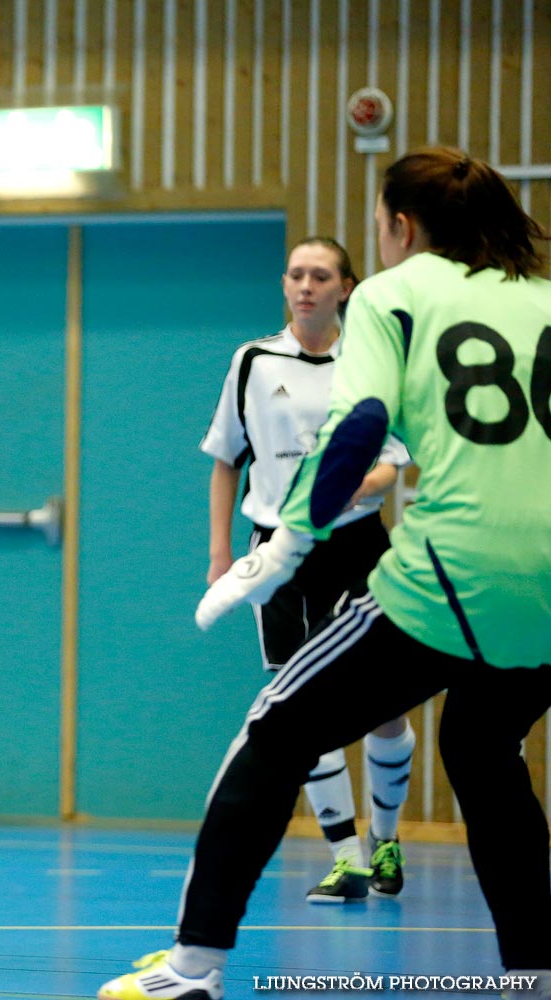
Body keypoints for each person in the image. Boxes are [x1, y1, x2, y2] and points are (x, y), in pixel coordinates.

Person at [98, 147, 551, 1000]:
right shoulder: (545, 300)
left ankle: (191, 970)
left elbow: (360, 427)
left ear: (400, 226)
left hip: (453, 575)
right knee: (485, 751)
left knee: (275, 729)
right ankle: (535, 973)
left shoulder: (394, 292)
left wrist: (287, 545)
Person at [201, 236, 416, 904]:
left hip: (355, 547)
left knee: (382, 707)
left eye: (320, 275)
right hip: (277, 549)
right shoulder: (254, 361)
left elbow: (394, 458)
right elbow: (226, 460)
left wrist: (342, 490)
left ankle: (386, 842)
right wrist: (221, 555)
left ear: (346, 287)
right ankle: (345, 856)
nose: (305, 286)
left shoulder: (371, 360)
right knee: (299, 701)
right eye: (295, 274)